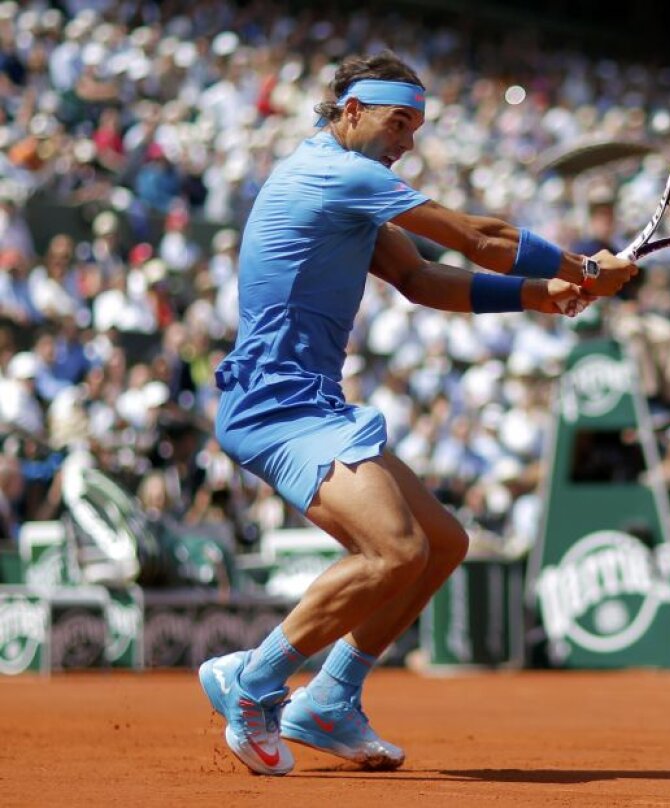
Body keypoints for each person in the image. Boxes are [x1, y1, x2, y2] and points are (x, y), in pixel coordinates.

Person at [197, 51, 638, 776]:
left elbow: (418, 277)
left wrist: (538, 296)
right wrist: (581, 268)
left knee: (440, 542)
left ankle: (331, 700)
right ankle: (251, 683)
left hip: (308, 401)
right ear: (350, 112)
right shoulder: (338, 173)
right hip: (276, 405)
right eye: (398, 121)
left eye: (417, 126)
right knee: (392, 551)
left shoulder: (344, 184)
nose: (407, 140)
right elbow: (481, 240)